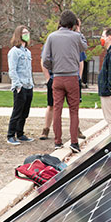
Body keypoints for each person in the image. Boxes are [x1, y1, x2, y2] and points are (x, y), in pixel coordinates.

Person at [41, 10, 87, 154]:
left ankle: (57, 141)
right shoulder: (76, 37)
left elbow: (45, 58)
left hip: (58, 77)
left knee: (57, 109)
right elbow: (84, 47)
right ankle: (74, 142)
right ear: (73, 24)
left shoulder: (52, 37)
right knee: (74, 111)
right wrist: (79, 31)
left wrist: (52, 68)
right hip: (72, 77)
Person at [6, 25, 35, 145]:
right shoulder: (14, 52)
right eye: (24, 33)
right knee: (17, 111)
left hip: (28, 85)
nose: (27, 34)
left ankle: (20, 133)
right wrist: (18, 85)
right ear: (19, 35)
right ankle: (11, 135)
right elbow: (12, 70)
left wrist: (31, 84)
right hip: (20, 86)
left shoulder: (27, 52)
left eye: (27, 32)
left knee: (25, 112)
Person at [40, 67, 54, 140]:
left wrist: (79, 77)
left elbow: (81, 61)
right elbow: (44, 60)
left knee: (73, 107)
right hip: (54, 78)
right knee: (51, 105)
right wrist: (48, 78)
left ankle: (75, 130)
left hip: (72, 78)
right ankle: (46, 130)